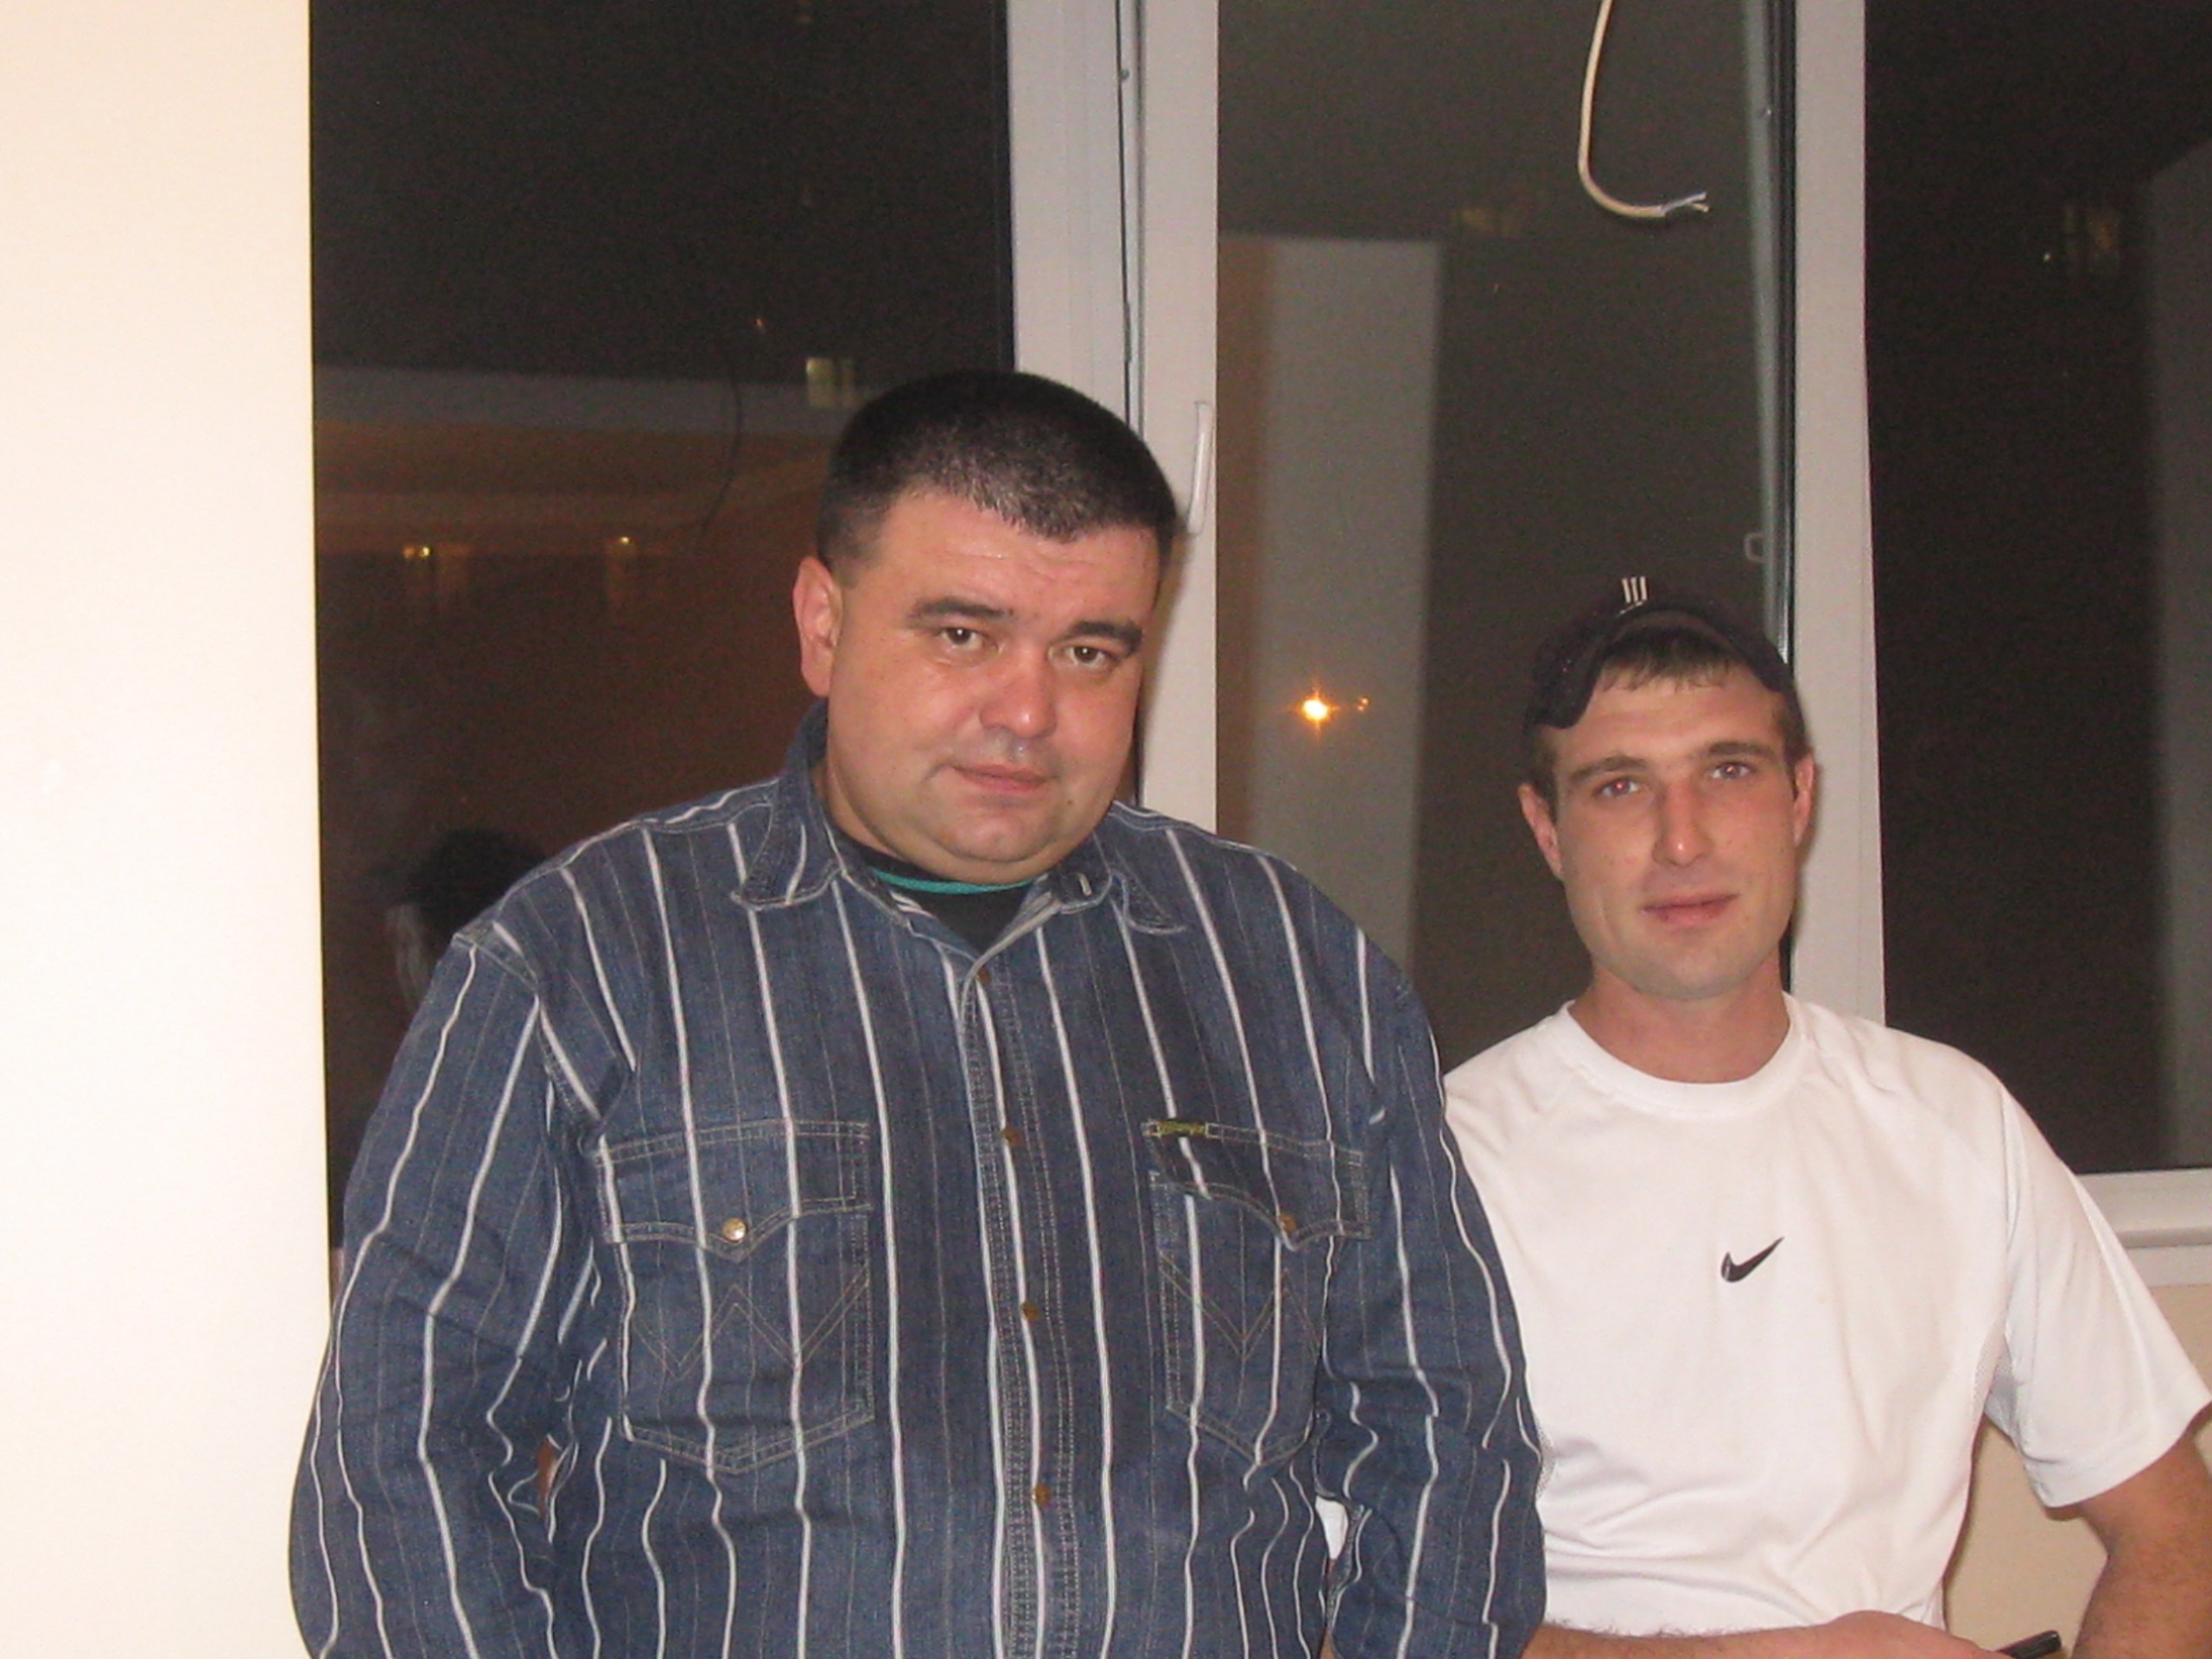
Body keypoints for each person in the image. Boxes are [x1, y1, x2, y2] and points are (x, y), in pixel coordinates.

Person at [292, 369, 1544, 1659]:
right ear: (822, 624)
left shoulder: (1288, 970)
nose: (1027, 712)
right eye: (963, 634)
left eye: (1090, 651)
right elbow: (405, 1456)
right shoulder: (585, 963)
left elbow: (1449, 1433)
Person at [1444, 579, 2212, 1659]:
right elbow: (1351, 1621)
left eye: (1727, 770)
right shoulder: (1444, 1165)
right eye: (1620, 786)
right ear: (1548, 831)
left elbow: (2175, 1531)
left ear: (1800, 799)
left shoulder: (1955, 1123)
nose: (1681, 839)